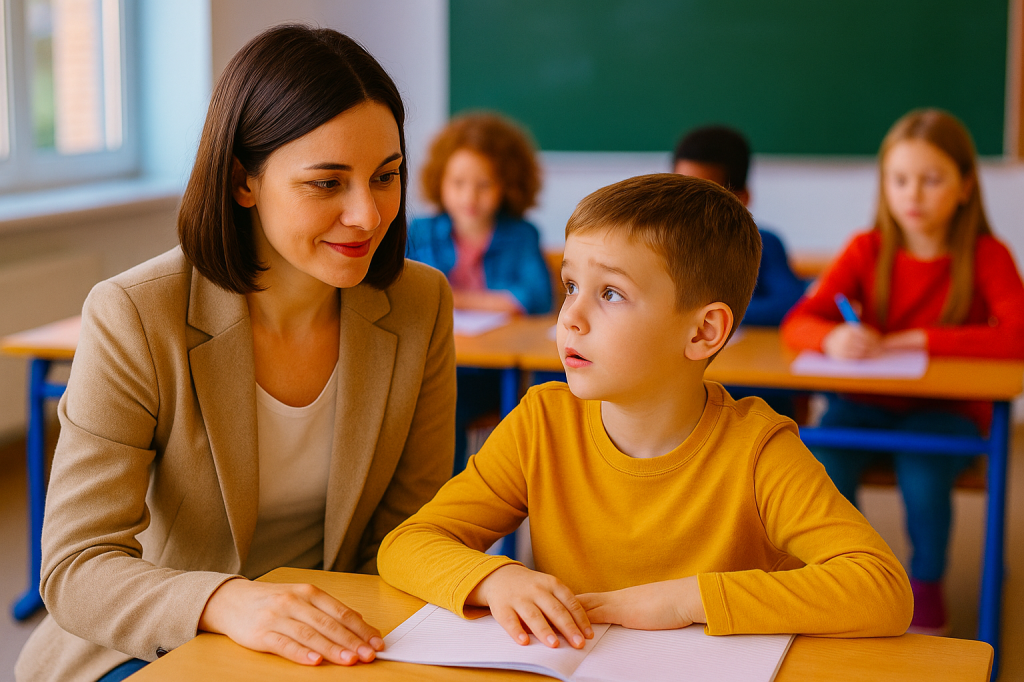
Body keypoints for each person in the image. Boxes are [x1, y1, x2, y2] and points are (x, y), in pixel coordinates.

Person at [16, 25, 456, 682]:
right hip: (155, 643)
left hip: (338, 641)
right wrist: (227, 601)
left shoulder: (421, 302)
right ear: (243, 181)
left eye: (385, 176)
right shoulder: (135, 314)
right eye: (327, 183)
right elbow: (77, 567)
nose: (368, 214)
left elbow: (409, 532)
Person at [378, 174, 912, 648]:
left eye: (610, 293)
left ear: (703, 331)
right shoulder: (542, 422)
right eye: (570, 286)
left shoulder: (758, 449)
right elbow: (407, 545)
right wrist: (495, 579)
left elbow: (881, 589)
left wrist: (685, 601)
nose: (571, 318)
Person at [781, 109, 1024, 634]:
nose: (913, 194)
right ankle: (841, 581)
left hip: (947, 413)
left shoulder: (986, 253)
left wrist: (918, 338)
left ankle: (926, 586)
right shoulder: (866, 248)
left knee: (923, 472)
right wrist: (833, 336)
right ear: (884, 185)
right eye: (900, 180)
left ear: (964, 187)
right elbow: (799, 321)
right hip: (866, 405)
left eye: (932, 180)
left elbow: (1016, 334)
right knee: (821, 463)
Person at [407, 112, 552, 471]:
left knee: (451, 403)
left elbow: (535, 299)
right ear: (439, 182)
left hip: (493, 373)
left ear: (507, 186)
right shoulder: (419, 231)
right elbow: (406, 294)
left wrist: (452, 297)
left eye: (484, 184)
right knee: (427, 403)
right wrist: (496, 301)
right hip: (433, 365)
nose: (469, 196)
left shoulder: (521, 234)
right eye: (458, 183)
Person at [673, 125, 805, 326]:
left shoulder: (763, 244)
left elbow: (790, 304)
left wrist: (698, 311)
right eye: (678, 190)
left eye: (704, 196)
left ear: (741, 198)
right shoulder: (659, 244)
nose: (688, 205)